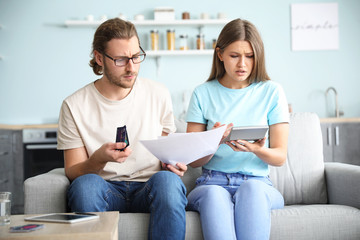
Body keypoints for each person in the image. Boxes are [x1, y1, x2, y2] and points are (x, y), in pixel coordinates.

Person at [57, 18, 187, 240]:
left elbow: (167, 154)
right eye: (120, 59)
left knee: (169, 182)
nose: (131, 67)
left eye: (136, 57)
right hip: (103, 187)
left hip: (149, 187)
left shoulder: (158, 93)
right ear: (99, 58)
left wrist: (172, 166)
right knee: (85, 186)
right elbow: (72, 172)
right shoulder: (74, 105)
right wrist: (98, 159)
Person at [186, 18, 289, 240]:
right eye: (234, 56)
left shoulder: (272, 91)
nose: (242, 64)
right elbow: (192, 161)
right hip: (211, 182)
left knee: (251, 190)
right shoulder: (202, 93)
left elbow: (280, 157)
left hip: (257, 183)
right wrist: (213, 141)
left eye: (249, 56)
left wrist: (256, 150)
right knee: (214, 194)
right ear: (220, 54)